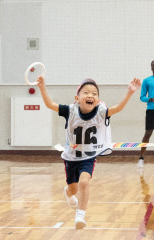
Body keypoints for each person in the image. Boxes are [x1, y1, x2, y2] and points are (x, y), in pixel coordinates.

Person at [37, 75, 141, 229]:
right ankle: (68, 192)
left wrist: (130, 93)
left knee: (84, 182)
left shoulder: (101, 112)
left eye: (94, 93)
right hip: (71, 158)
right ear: (77, 98)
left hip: (89, 157)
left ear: (98, 100)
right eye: (86, 92)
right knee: (73, 188)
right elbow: (49, 104)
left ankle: (80, 215)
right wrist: (42, 87)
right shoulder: (70, 111)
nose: (90, 95)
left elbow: (118, 108)